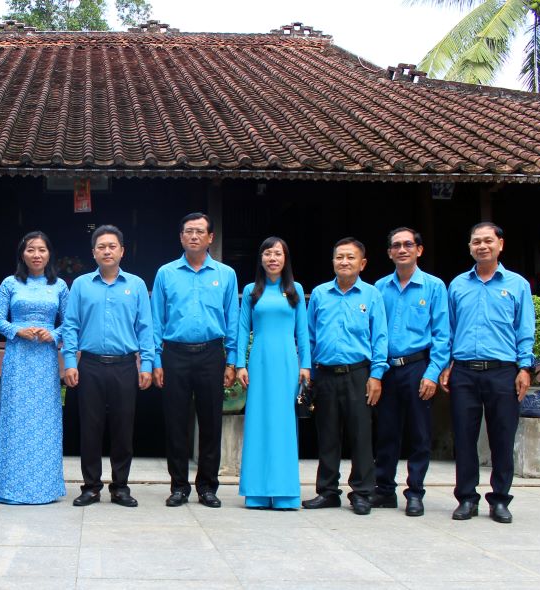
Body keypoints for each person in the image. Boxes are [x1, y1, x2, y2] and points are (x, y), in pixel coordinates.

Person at [440, 222, 534, 524]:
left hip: (502, 372)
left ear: (500, 245)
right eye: (476, 241)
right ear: (469, 247)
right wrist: (446, 365)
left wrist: (524, 367)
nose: (482, 246)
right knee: (464, 438)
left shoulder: (518, 285)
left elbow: (524, 329)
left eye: (488, 241)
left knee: (502, 437)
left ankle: (500, 499)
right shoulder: (457, 285)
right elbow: (448, 330)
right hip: (464, 371)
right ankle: (466, 498)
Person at [150, 212, 239, 509]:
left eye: (200, 231)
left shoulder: (225, 274)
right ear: (181, 237)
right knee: (175, 422)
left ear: (210, 237)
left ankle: (207, 487)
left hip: (212, 354)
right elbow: (156, 320)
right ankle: (178, 486)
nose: (194, 236)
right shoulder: (166, 273)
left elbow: (233, 320)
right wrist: (156, 361)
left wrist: (232, 361)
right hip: (174, 353)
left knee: (211, 422)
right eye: (188, 231)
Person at [62, 224, 154, 508]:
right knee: (90, 428)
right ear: (93, 252)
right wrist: (69, 362)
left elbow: (145, 327)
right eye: (101, 246)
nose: (107, 251)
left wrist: (147, 364)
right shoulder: (80, 285)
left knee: (123, 428)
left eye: (112, 246)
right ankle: (90, 487)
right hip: (89, 364)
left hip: (125, 366)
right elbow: (70, 326)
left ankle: (121, 487)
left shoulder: (136, 285)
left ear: (122, 251)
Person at [302, 237, 387, 515]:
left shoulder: (372, 295)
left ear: (362, 263)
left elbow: (380, 337)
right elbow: (310, 335)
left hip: (358, 373)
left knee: (361, 435)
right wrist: (310, 371)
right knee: (327, 434)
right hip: (325, 373)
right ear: (333, 261)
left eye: (350, 257)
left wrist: (376, 375)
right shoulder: (319, 294)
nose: (344, 262)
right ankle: (327, 491)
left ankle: (362, 492)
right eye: (339, 257)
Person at [371, 227, 450, 517]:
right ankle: (384, 490)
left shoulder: (433, 287)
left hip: (418, 366)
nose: (402, 249)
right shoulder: (379, 288)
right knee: (386, 432)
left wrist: (433, 372)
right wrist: (376, 372)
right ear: (389, 252)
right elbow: (374, 332)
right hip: (387, 368)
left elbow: (442, 335)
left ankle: (415, 492)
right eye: (396, 245)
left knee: (419, 433)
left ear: (419, 250)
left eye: (408, 244)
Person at [0, 231, 69, 504]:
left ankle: (45, 488)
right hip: (18, 356)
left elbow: (69, 321)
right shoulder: (9, 283)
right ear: (22, 254)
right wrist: (16, 330)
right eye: (30, 250)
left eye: (42, 250)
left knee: (45, 420)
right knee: (15, 418)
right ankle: (11, 487)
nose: (36, 255)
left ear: (49, 254)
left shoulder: (59, 285)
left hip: (45, 358)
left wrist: (55, 335)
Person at [235, 237, 310, 510]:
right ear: (261, 259)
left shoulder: (295, 290)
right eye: (267, 253)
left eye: (277, 253)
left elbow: (303, 331)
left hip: (288, 363)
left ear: (285, 258)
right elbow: (243, 329)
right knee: (258, 422)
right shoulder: (252, 290)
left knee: (283, 424)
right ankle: (256, 492)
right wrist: (240, 364)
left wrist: (306, 365)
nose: (272, 258)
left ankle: (285, 493)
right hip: (259, 362)